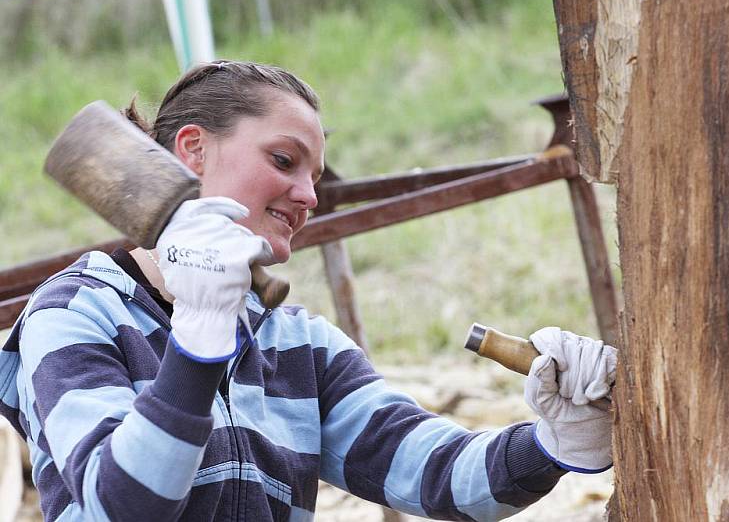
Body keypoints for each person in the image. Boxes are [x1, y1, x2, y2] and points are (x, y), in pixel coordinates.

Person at [0, 60, 617, 521]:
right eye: (284, 160)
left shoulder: (296, 343)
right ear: (192, 149)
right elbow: (124, 507)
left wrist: (555, 442)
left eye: (316, 177)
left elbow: (437, 476)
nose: (309, 196)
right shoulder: (74, 314)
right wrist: (198, 341)